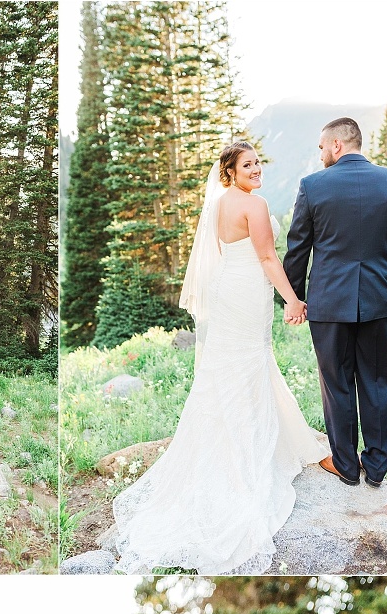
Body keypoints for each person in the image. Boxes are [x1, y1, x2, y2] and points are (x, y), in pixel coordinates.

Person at [112, 141, 323, 577]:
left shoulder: (218, 204)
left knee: (230, 368)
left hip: (228, 289)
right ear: (229, 171)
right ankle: (247, 451)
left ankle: (230, 438)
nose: (257, 170)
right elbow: (267, 256)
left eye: (259, 163)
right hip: (249, 292)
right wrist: (292, 299)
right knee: (249, 363)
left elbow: (227, 255)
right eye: (248, 165)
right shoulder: (255, 204)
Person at [283, 116, 387, 487]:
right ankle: (376, 467)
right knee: (377, 381)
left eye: (322, 147)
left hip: (329, 303)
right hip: (379, 300)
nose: (321, 153)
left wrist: (293, 297)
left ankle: (345, 463)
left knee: (336, 381)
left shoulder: (313, 186)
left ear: (337, 145)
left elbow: (298, 248)